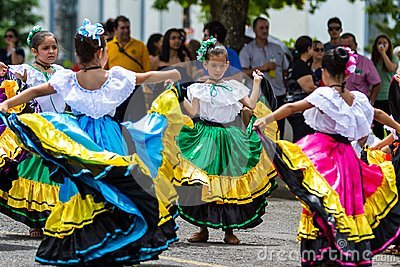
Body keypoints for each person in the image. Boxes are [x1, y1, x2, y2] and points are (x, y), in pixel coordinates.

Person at [0, 19, 182, 266]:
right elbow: (147, 76)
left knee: (81, 189)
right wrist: (173, 73)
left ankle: (85, 241)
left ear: (78, 54)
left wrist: (8, 104)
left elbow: (35, 92)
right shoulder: (116, 76)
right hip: (110, 138)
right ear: (101, 52)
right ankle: (115, 238)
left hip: (78, 138)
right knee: (114, 185)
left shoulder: (69, 79)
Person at [254, 47, 400, 266]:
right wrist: (399, 127)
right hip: (348, 159)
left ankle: (323, 252)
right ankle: (346, 251)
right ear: (348, 73)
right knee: (346, 205)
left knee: (320, 199)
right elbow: (378, 114)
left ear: (324, 72)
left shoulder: (325, 94)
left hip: (324, 154)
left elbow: (293, 106)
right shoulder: (357, 98)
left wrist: (266, 119)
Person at [173, 38, 278, 245]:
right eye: (213, 65)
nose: (218, 69)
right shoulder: (198, 88)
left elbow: (251, 104)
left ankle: (229, 230)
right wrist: (177, 94)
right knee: (205, 182)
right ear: (205, 64)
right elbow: (193, 111)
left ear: (227, 65)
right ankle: (202, 229)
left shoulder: (234, 88)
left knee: (229, 182)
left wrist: (256, 83)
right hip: (205, 135)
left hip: (229, 136)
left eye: (222, 66)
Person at [0, 26, 65, 239]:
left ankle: (57, 220)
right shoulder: (26, 71)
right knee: (36, 176)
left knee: (57, 178)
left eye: (54, 47)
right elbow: (6, 70)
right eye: (45, 48)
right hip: (35, 130)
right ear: (34, 51)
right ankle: (35, 223)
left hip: (61, 130)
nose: (51, 51)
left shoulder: (62, 72)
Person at [239, 17, 289, 139]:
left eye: (267, 27)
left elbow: (285, 70)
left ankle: (278, 156)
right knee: (260, 132)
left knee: (278, 130)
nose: (265, 30)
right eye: (261, 28)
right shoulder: (247, 50)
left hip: (278, 94)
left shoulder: (277, 48)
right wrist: (263, 68)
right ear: (254, 30)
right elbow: (243, 73)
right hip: (259, 97)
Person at [106, 15, 151, 122]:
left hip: (135, 88)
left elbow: (147, 69)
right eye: (122, 28)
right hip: (116, 89)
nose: (126, 30)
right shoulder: (108, 47)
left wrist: (148, 90)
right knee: (117, 120)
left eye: (128, 27)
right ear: (116, 29)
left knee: (139, 120)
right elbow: (105, 69)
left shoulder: (140, 46)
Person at [285, 36, 316, 142]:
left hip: (295, 108)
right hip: (299, 110)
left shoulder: (294, 64)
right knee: (302, 139)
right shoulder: (300, 66)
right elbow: (309, 87)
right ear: (308, 48)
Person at [340, 33, 381, 104]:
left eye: (349, 46)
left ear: (355, 45)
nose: (346, 49)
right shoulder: (336, 62)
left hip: (359, 103)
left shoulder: (366, 62)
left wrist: (371, 102)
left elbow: (377, 83)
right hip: (341, 103)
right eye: (343, 47)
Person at [371, 34, 398, 139]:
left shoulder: (394, 58)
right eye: (379, 43)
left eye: (384, 43)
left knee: (390, 124)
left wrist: (383, 54)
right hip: (377, 96)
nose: (382, 45)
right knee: (377, 127)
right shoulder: (374, 60)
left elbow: (391, 68)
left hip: (389, 96)